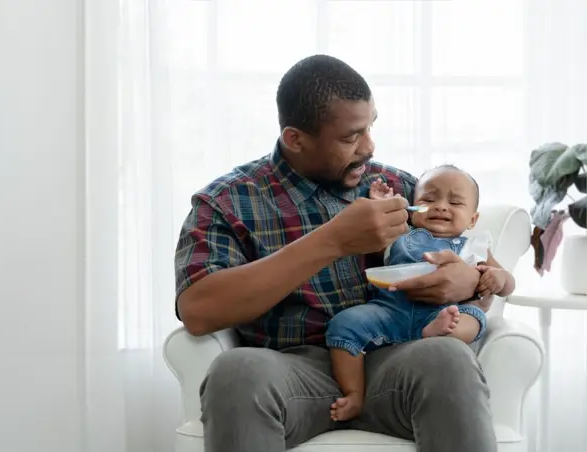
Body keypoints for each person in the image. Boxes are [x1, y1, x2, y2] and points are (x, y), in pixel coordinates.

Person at [174, 54, 496, 452]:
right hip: (293, 371)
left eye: (371, 127)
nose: (369, 146)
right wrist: (333, 240)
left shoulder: (398, 186)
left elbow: (477, 256)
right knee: (236, 371)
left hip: (395, 360)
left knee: (448, 360)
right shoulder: (228, 202)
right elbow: (198, 309)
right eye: (350, 137)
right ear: (295, 138)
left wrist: (470, 279)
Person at [326, 166, 516, 422]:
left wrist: (498, 278)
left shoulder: (475, 246)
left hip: (446, 314)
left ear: (472, 219)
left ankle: (440, 332)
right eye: (428, 199)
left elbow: (509, 284)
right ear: (413, 209)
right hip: (390, 311)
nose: (440, 206)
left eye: (455, 202)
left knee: (472, 317)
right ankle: (354, 394)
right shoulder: (401, 234)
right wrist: (381, 204)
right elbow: (377, 226)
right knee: (343, 324)